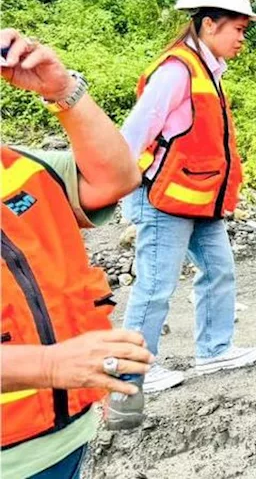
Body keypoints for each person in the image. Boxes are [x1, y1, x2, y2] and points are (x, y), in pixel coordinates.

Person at [107, 0, 256, 426]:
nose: (241, 37)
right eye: (238, 28)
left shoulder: (208, 71)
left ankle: (214, 350)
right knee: (155, 286)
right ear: (210, 24)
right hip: (166, 199)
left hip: (200, 200)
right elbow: (133, 135)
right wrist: (129, 194)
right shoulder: (176, 71)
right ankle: (132, 370)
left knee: (219, 271)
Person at [0, 29, 150, 479]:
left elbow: (116, 177)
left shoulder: (20, 166)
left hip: (63, 438)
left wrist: (62, 89)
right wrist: (51, 364)